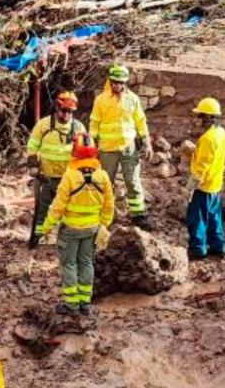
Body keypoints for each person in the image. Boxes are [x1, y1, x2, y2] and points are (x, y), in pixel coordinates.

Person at [35, 134, 115, 315]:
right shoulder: (102, 176)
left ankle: (71, 304)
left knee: (69, 264)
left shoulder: (70, 176)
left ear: (74, 152)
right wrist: (104, 224)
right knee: (86, 262)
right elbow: (109, 204)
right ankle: (85, 302)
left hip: (70, 229)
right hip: (92, 228)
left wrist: (46, 227)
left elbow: (57, 206)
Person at [90, 63, 153, 229]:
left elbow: (140, 121)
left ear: (126, 82)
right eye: (115, 82)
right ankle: (103, 214)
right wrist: (92, 143)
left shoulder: (133, 99)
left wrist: (147, 143)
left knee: (132, 181)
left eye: (121, 82)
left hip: (128, 147)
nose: (118, 85)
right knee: (105, 182)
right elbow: (94, 122)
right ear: (110, 81)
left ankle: (138, 215)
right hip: (107, 148)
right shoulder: (101, 100)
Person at [25, 91, 86, 249]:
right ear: (57, 108)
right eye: (64, 111)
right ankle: (35, 238)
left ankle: (64, 241)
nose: (66, 115)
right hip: (45, 176)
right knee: (41, 210)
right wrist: (33, 165)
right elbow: (32, 145)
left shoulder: (78, 127)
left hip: (68, 178)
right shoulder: (44, 125)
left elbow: (85, 151)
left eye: (70, 112)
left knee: (68, 211)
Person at [186, 97, 225, 260]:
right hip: (216, 184)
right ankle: (218, 247)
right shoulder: (221, 133)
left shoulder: (207, 139)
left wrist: (191, 186)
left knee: (197, 218)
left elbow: (201, 166)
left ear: (209, 117)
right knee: (214, 216)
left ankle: (198, 249)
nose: (199, 120)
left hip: (203, 186)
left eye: (201, 116)